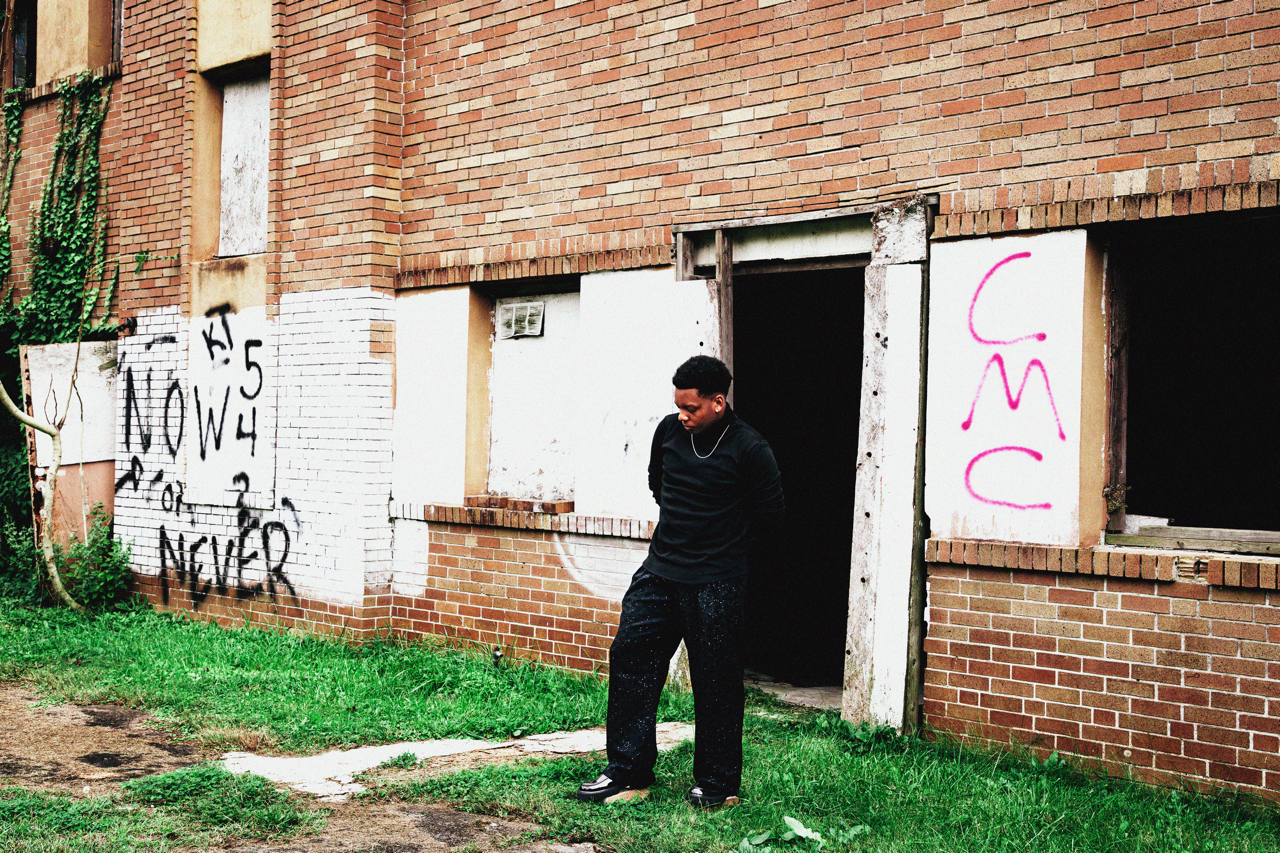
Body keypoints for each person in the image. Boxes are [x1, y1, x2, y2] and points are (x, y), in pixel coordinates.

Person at [576, 355, 785, 808]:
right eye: (678, 407)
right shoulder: (669, 432)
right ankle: (628, 773)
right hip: (660, 571)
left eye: (691, 408)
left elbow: (771, 518)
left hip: (716, 580)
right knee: (630, 659)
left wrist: (722, 550)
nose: (682, 416)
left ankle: (717, 784)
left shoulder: (750, 448)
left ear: (718, 401)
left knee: (716, 681)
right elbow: (659, 483)